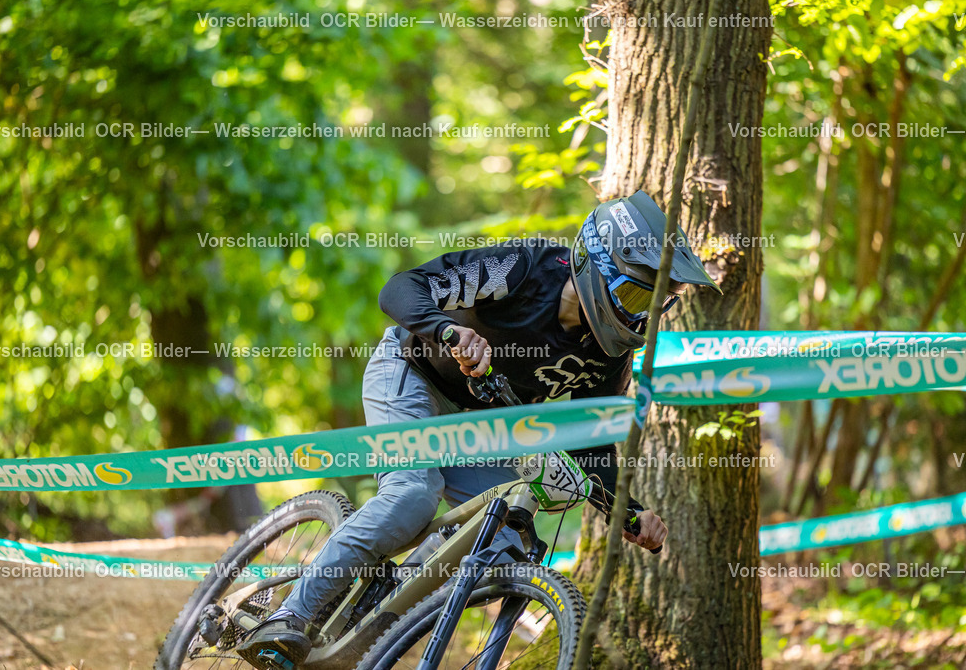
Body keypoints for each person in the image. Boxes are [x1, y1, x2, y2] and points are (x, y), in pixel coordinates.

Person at [238, 190, 722, 662]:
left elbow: (590, 446)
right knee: (411, 494)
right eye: (636, 293)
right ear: (597, 265)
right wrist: (451, 332)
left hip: (477, 427)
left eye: (655, 303)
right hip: (412, 374)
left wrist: (630, 514)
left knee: (508, 540)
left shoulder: (608, 355)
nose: (642, 315)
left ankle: (379, 603)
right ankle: (288, 614)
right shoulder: (523, 270)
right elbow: (400, 289)